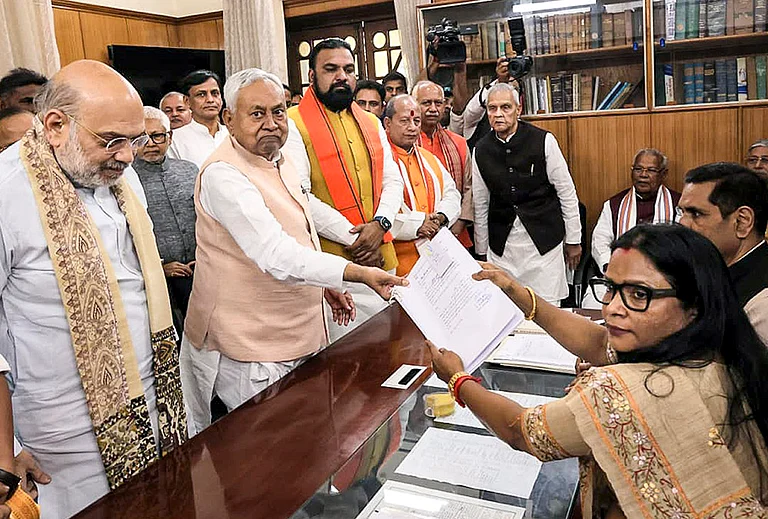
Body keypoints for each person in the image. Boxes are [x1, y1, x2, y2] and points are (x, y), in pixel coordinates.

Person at [431, 224, 768, 517]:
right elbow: (597, 343)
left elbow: (522, 432)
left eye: (639, 294)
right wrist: (515, 291)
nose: (613, 308)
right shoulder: (722, 347)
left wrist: (458, 379)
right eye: (610, 288)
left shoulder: (623, 391)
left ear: (693, 305)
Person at [0, 60, 187, 518]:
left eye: (135, 139)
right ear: (56, 126)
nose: (127, 155)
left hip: (155, 412)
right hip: (59, 444)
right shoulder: (6, 190)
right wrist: (5, 455)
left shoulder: (119, 179)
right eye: (112, 141)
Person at [179, 68, 407, 433]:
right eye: (257, 114)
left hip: (298, 336)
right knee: (266, 458)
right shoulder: (223, 174)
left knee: (304, 446)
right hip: (252, 351)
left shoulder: (279, 159)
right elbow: (274, 252)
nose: (271, 123)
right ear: (229, 119)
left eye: (279, 111)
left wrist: (322, 285)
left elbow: (300, 224)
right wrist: (356, 273)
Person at [285, 39, 404, 341]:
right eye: (331, 69)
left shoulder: (372, 123)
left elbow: (392, 181)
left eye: (348, 69)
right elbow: (300, 197)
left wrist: (380, 225)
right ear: (312, 76)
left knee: (391, 353)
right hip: (336, 273)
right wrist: (358, 238)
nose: (342, 76)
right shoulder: (293, 123)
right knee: (351, 365)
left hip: (383, 257)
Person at [473, 82, 581, 304]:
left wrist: (573, 240)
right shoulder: (481, 149)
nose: (498, 114)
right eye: (492, 109)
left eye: (506, 107)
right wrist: (481, 250)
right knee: (505, 312)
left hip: (543, 245)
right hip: (501, 247)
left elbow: (567, 192)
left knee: (548, 313)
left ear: (518, 109)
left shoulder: (544, 140)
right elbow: (481, 203)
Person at [677, 162, 768, 343]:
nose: (682, 223)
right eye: (682, 212)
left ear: (742, 222)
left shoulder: (762, 303)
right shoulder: (704, 269)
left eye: (696, 214)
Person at [134, 107, 198, 332]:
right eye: (142, 137)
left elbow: (208, 219)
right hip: (155, 281)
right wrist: (161, 267)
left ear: (169, 138)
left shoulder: (190, 171)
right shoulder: (125, 181)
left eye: (157, 136)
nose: (150, 143)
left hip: (200, 272)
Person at [384, 95, 461, 275]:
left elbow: (452, 194)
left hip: (434, 255)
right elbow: (377, 211)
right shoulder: (379, 160)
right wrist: (418, 224)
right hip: (397, 260)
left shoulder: (428, 158)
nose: (412, 128)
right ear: (387, 123)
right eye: (404, 121)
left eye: (416, 121)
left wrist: (440, 217)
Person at [591, 148, 680, 273]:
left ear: (664, 174)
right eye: (638, 169)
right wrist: (609, 266)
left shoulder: (679, 204)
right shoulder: (614, 204)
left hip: (664, 274)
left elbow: (683, 245)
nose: (643, 175)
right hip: (620, 272)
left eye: (651, 170)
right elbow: (600, 241)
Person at [412, 80, 473, 246]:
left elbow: (468, 189)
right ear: (414, 105)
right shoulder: (404, 143)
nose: (433, 109)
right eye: (426, 103)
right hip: (414, 235)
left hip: (455, 232)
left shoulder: (458, 143)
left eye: (438, 103)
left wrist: (457, 226)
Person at [167, 70, 228, 167]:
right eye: (201, 94)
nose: (210, 100)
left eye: (215, 93)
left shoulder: (234, 135)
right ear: (187, 101)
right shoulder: (175, 140)